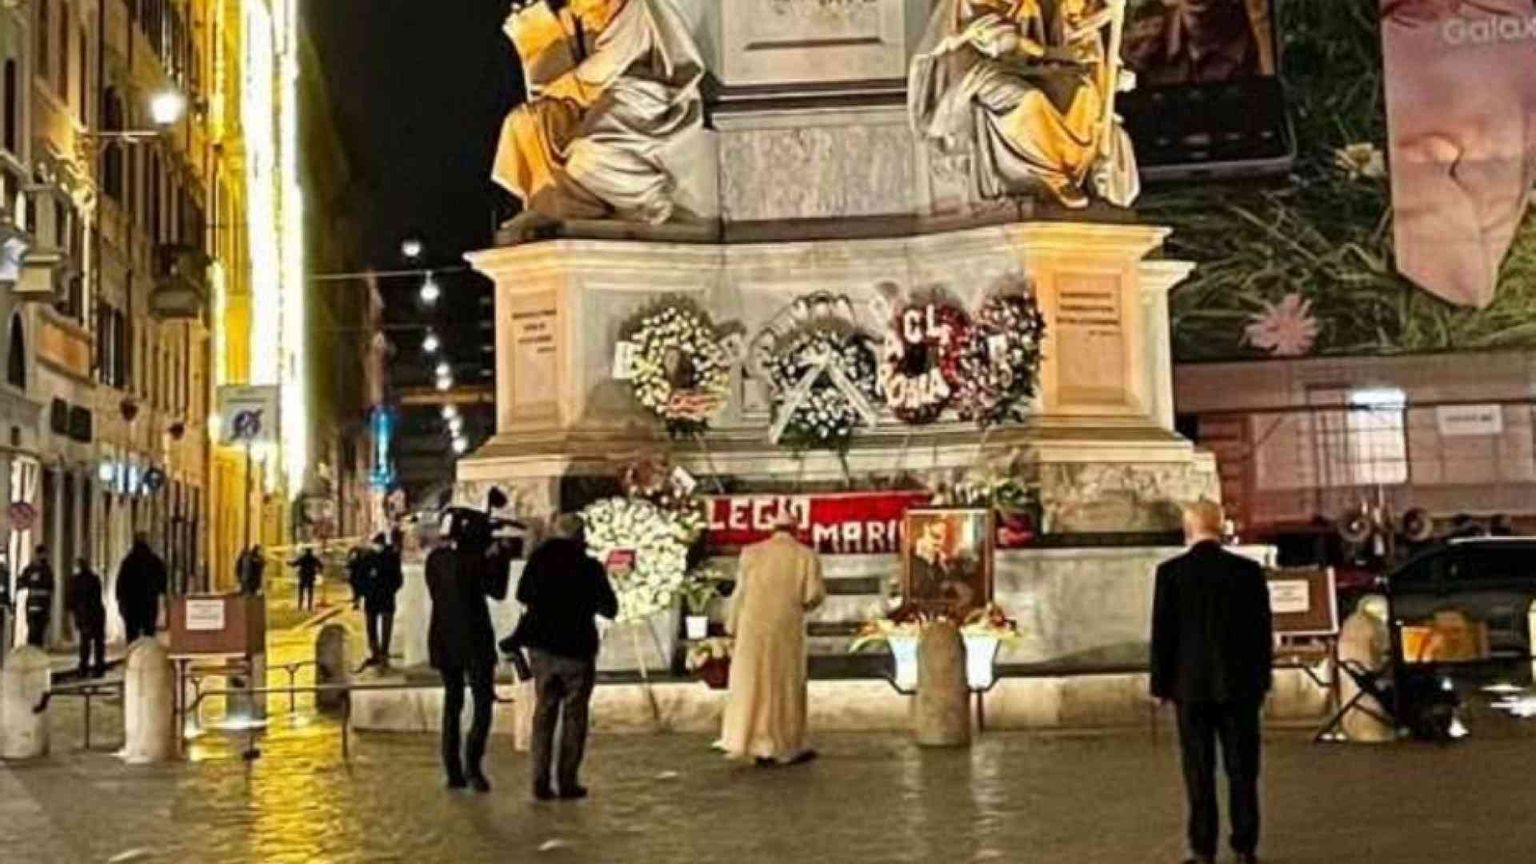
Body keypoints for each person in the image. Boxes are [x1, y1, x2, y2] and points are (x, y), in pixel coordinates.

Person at [1151, 500, 1273, 864]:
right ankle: (1245, 844)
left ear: (1189, 529)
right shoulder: (1247, 572)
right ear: (1221, 527)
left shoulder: (1171, 573)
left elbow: (1164, 634)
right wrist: (1262, 679)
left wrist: (1160, 685)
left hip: (1190, 687)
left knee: (1198, 770)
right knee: (1243, 769)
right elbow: (1261, 631)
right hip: (1239, 686)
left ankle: (1202, 848)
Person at [515, 513, 617, 801]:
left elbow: (522, 595)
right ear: (582, 536)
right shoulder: (589, 567)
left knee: (544, 711)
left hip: (543, 648)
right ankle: (567, 780)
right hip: (577, 648)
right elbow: (609, 608)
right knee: (575, 715)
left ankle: (539, 780)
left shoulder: (538, 562)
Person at [719, 512, 827, 766]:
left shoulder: (751, 552)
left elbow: (740, 592)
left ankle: (749, 739)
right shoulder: (805, 555)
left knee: (753, 682)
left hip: (752, 626)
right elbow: (812, 594)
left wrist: (732, 625)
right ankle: (784, 744)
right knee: (783, 683)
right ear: (795, 530)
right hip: (785, 628)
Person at [427, 508, 513, 793]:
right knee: (482, 705)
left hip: (443, 638)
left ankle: (452, 769)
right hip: (474, 640)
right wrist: (500, 558)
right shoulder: (475, 561)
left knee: (452, 705)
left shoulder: (436, 560)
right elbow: (498, 591)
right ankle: (473, 766)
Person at [116, 533, 168, 643]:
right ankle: (147, 655)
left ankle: (133, 656)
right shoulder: (154, 560)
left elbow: (120, 584)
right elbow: (162, 580)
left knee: (132, 634)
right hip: (149, 603)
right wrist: (161, 593)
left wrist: (120, 602)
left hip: (131, 604)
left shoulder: (128, 561)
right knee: (149, 632)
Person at [364, 534, 404, 667]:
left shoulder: (391, 557)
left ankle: (382, 652)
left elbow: (398, 579)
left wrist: (390, 589)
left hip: (383, 597)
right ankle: (377, 652)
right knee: (373, 625)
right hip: (375, 597)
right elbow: (360, 574)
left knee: (382, 626)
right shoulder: (368, 556)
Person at [68, 558, 107, 678]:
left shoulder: (76, 581)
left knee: (85, 643)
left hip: (85, 615)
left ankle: (83, 668)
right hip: (97, 614)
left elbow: (72, 600)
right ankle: (98, 668)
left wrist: (74, 614)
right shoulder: (94, 579)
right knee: (98, 643)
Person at [17, 546, 55, 648]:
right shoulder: (39, 569)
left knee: (38, 629)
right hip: (37, 602)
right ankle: (34, 649)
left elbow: (21, 582)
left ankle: (35, 649)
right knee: (35, 629)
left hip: (36, 602)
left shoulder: (38, 569)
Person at [289, 546, 323, 612]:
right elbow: (321, 565)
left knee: (301, 592)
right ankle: (309, 607)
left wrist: (288, 563)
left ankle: (300, 607)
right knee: (310, 592)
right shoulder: (314, 558)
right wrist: (318, 571)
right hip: (310, 577)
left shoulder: (302, 558)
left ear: (305, 551)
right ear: (311, 551)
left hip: (303, 577)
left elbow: (294, 564)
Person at [346, 545, 372, 610]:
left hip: (357, 578)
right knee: (358, 592)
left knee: (357, 592)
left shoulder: (356, 558)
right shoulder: (365, 558)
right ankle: (357, 603)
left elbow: (349, 566)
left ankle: (357, 603)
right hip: (358, 578)